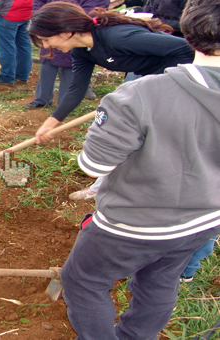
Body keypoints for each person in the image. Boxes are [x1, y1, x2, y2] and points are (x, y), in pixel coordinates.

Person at [60, 0, 220, 338]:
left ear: (187, 28)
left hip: (135, 222)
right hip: (204, 218)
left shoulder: (139, 94)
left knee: (83, 280)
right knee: (159, 280)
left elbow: (94, 165)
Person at [27, 2, 194, 200]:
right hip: (146, 77)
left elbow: (186, 49)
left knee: (152, 133)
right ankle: (104, 185)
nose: (46, 46)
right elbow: (75, 90)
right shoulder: (82, 51)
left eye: (46, 39)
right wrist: (51, 122)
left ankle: (168, 188)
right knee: (128, 130)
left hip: (179, 79)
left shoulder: (117, 37)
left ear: (65, 31)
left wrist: (157, 86)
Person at [25, 0, 108, 110]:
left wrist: (63, 24)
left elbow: (91, 12)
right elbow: (38, 4)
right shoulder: (48, 42)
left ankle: (64, 106)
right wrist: (44, 21)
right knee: (47, 68)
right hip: (50, 34)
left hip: (71, 35)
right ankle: (41, 99)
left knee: (71, 72)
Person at [0, 0, 33, 86]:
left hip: (6, 15)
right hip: (25, 14)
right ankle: (22, 75)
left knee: (5, 47)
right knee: (23, 46)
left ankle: (7, 76)